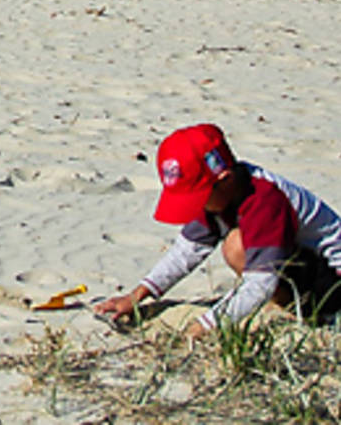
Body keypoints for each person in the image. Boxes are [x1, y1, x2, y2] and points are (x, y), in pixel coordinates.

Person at [95, 123, 341, 338]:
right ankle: (293, 306)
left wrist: (206, 325)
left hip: (332, 280)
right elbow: (186, 252)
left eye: (197, 196)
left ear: (225, 179)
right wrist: (137, 296)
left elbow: (262, 282)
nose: (195, 206)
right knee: (237, 246)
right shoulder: (222, 195)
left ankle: (316, 316)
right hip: (299, 267)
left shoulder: (265, 200)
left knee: (237, 247)